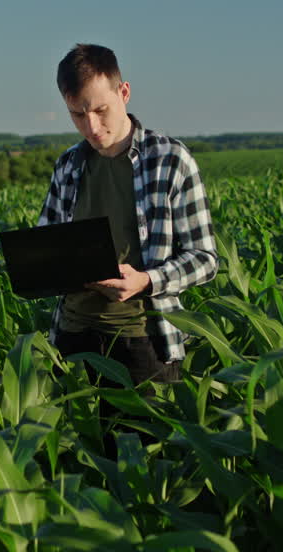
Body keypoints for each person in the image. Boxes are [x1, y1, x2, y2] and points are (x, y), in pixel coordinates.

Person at [38, 43, 218, 387]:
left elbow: (205, 259)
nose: (91, 126)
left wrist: (146, 281)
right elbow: (48, 243)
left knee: (143, 440)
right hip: (71, 338)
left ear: (124, 92)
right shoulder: (68, 165)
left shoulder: (170, 160)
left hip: (143, 341)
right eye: (77, 114)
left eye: (100, 110)